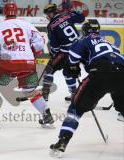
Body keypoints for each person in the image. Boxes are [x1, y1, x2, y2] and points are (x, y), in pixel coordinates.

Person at [50, 19, 124, 157]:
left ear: (84, 31)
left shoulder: (84, 40)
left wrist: (73, 68)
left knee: (75, 109)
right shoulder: (110, 43)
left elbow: (72, 59)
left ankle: (62, 141)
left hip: (100, 74)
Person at [0, 2, 54, 129]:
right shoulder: (27, 25)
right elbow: (40, 42)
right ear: (16, 12)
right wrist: (33, 54)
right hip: (28, 64)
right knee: (29, 90)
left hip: (8, 65)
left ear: (4, 12)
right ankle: (46, 115)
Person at [42, 3, 85, 102]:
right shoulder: (67, 16)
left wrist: (53, 52)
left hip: (65, 52)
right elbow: (81, 18)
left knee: (49, 69)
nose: (47, 17)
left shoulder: (51, 26)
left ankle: (45, 93)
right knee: (68, 73)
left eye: (47, 15)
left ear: (51, 13)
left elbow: (55, 45)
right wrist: (75, 11)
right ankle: (74, 94)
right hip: (78, 49)